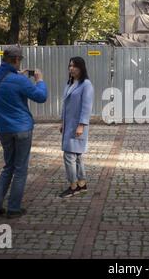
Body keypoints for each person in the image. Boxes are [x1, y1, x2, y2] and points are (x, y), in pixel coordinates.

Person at [0, 45, 47, 219]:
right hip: (21, 129)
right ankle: (13, 208)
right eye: (19, 60)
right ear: (16, 60)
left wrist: (15, 76)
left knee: (8, 167)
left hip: (3, 128)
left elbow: (4, 88)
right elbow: (41, 97)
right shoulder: (20, 81)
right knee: (20, 169)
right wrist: (39, 80)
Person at [59, 57, 94, 198]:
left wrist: (81, 125)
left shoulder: (86, 85)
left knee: (69, 155)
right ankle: (82, 183)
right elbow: (65, 106)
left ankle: (73, 186)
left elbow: (87, 107)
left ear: (81, 68)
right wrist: (62, 122)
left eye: (75, 66)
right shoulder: (70, 83)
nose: (71, 68)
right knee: (77, 156)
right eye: (70, 66)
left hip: (78, 126)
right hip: (68, 125)